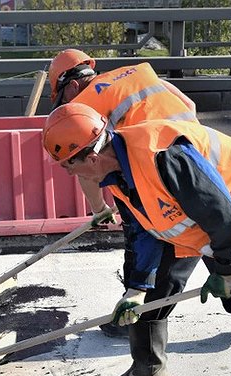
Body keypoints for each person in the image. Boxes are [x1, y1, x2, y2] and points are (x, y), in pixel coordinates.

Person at [41, 102, 231, 376]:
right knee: (156, 289)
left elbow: (222, 218)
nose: (70, 174)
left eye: (68, 166)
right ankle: (148, 372)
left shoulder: (163, 157)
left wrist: (227, 269)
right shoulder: (115, 173)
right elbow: (142, 232)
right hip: (197, 216)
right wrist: (135, 290)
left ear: (91, 157)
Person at [47, 48, 200, 339]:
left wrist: (99, 209)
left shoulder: (84, 105)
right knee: (210, 238)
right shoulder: (137, 72)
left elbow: (85, 165)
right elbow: (188, 104)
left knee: (141, 236)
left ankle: (130, 313)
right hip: (194, 156)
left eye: (62, 97)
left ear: (73, 85)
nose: (67, 105)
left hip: (148, 169)